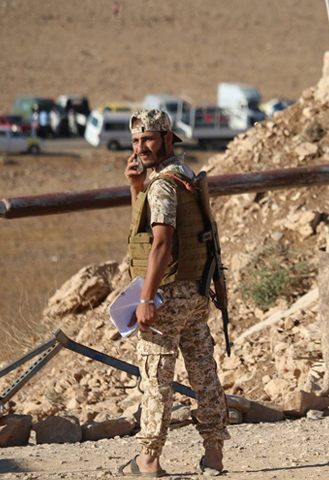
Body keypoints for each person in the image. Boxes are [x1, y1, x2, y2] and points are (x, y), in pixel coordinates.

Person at [118, 109, 229, 477]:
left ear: (168, 138)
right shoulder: (184, 176)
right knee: (203, 374)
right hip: (195, 295)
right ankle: (214, 457)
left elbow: (162, 244)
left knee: (156, 380)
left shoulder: (164, 184)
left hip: (168, 297)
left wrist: (146, 298)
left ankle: (148, 461)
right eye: (135, 141)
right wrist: (136, 188)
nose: (140, 147)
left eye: (147, 139)